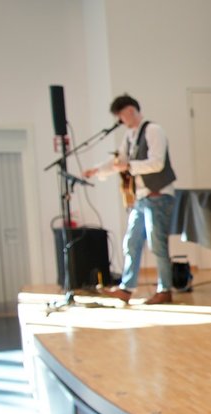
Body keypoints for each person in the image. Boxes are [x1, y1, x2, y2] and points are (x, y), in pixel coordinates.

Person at [85, 94, 177, 305]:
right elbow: (118, 160)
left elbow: (157, 163)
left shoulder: (154, 130)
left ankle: (165, 289)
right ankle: (127, 288)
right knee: (132, 242)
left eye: (121, 116)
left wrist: (129, 167)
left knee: (157, 245)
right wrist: (98, 170)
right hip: (141, 198)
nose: (121, 121)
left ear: (130, 111)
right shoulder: (130, 136)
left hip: (159, 195)